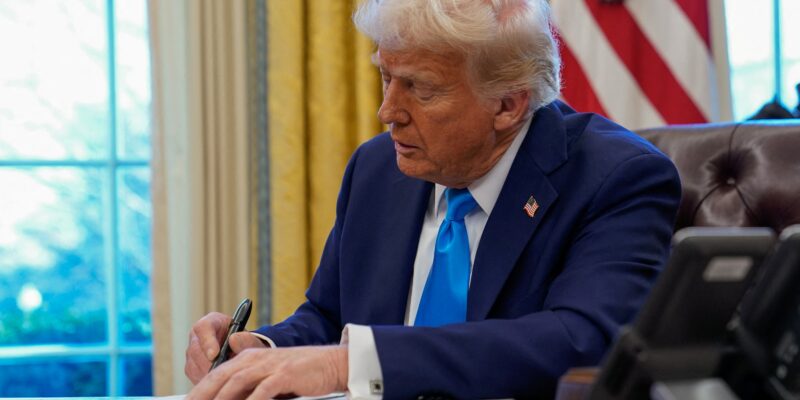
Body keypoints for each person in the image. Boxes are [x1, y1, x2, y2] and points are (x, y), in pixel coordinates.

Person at [184, 0, 682, 398]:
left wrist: (349, 364)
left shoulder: (616, 179)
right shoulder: (377, 168)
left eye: (420, 89)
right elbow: (329, 317)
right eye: (386, 77)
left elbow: (583, 341)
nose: (387, 112)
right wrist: (260, 350)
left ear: (508, 105)